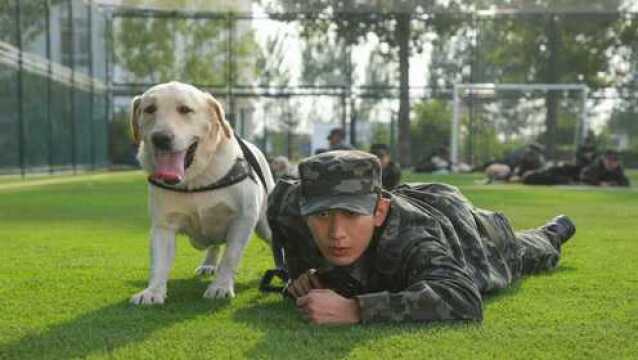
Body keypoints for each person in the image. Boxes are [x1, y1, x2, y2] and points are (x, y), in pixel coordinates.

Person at [267, 150, 576, 325]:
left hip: (473, 233)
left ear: (378, 212)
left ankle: (554, 231)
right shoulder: (292, 209)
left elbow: (464, 299)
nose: (336, 232)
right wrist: (305, 278)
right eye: (322, 215)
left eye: (351, 214)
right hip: (413, 198)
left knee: (521, 251)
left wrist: (355, 310)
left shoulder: (413, 239)